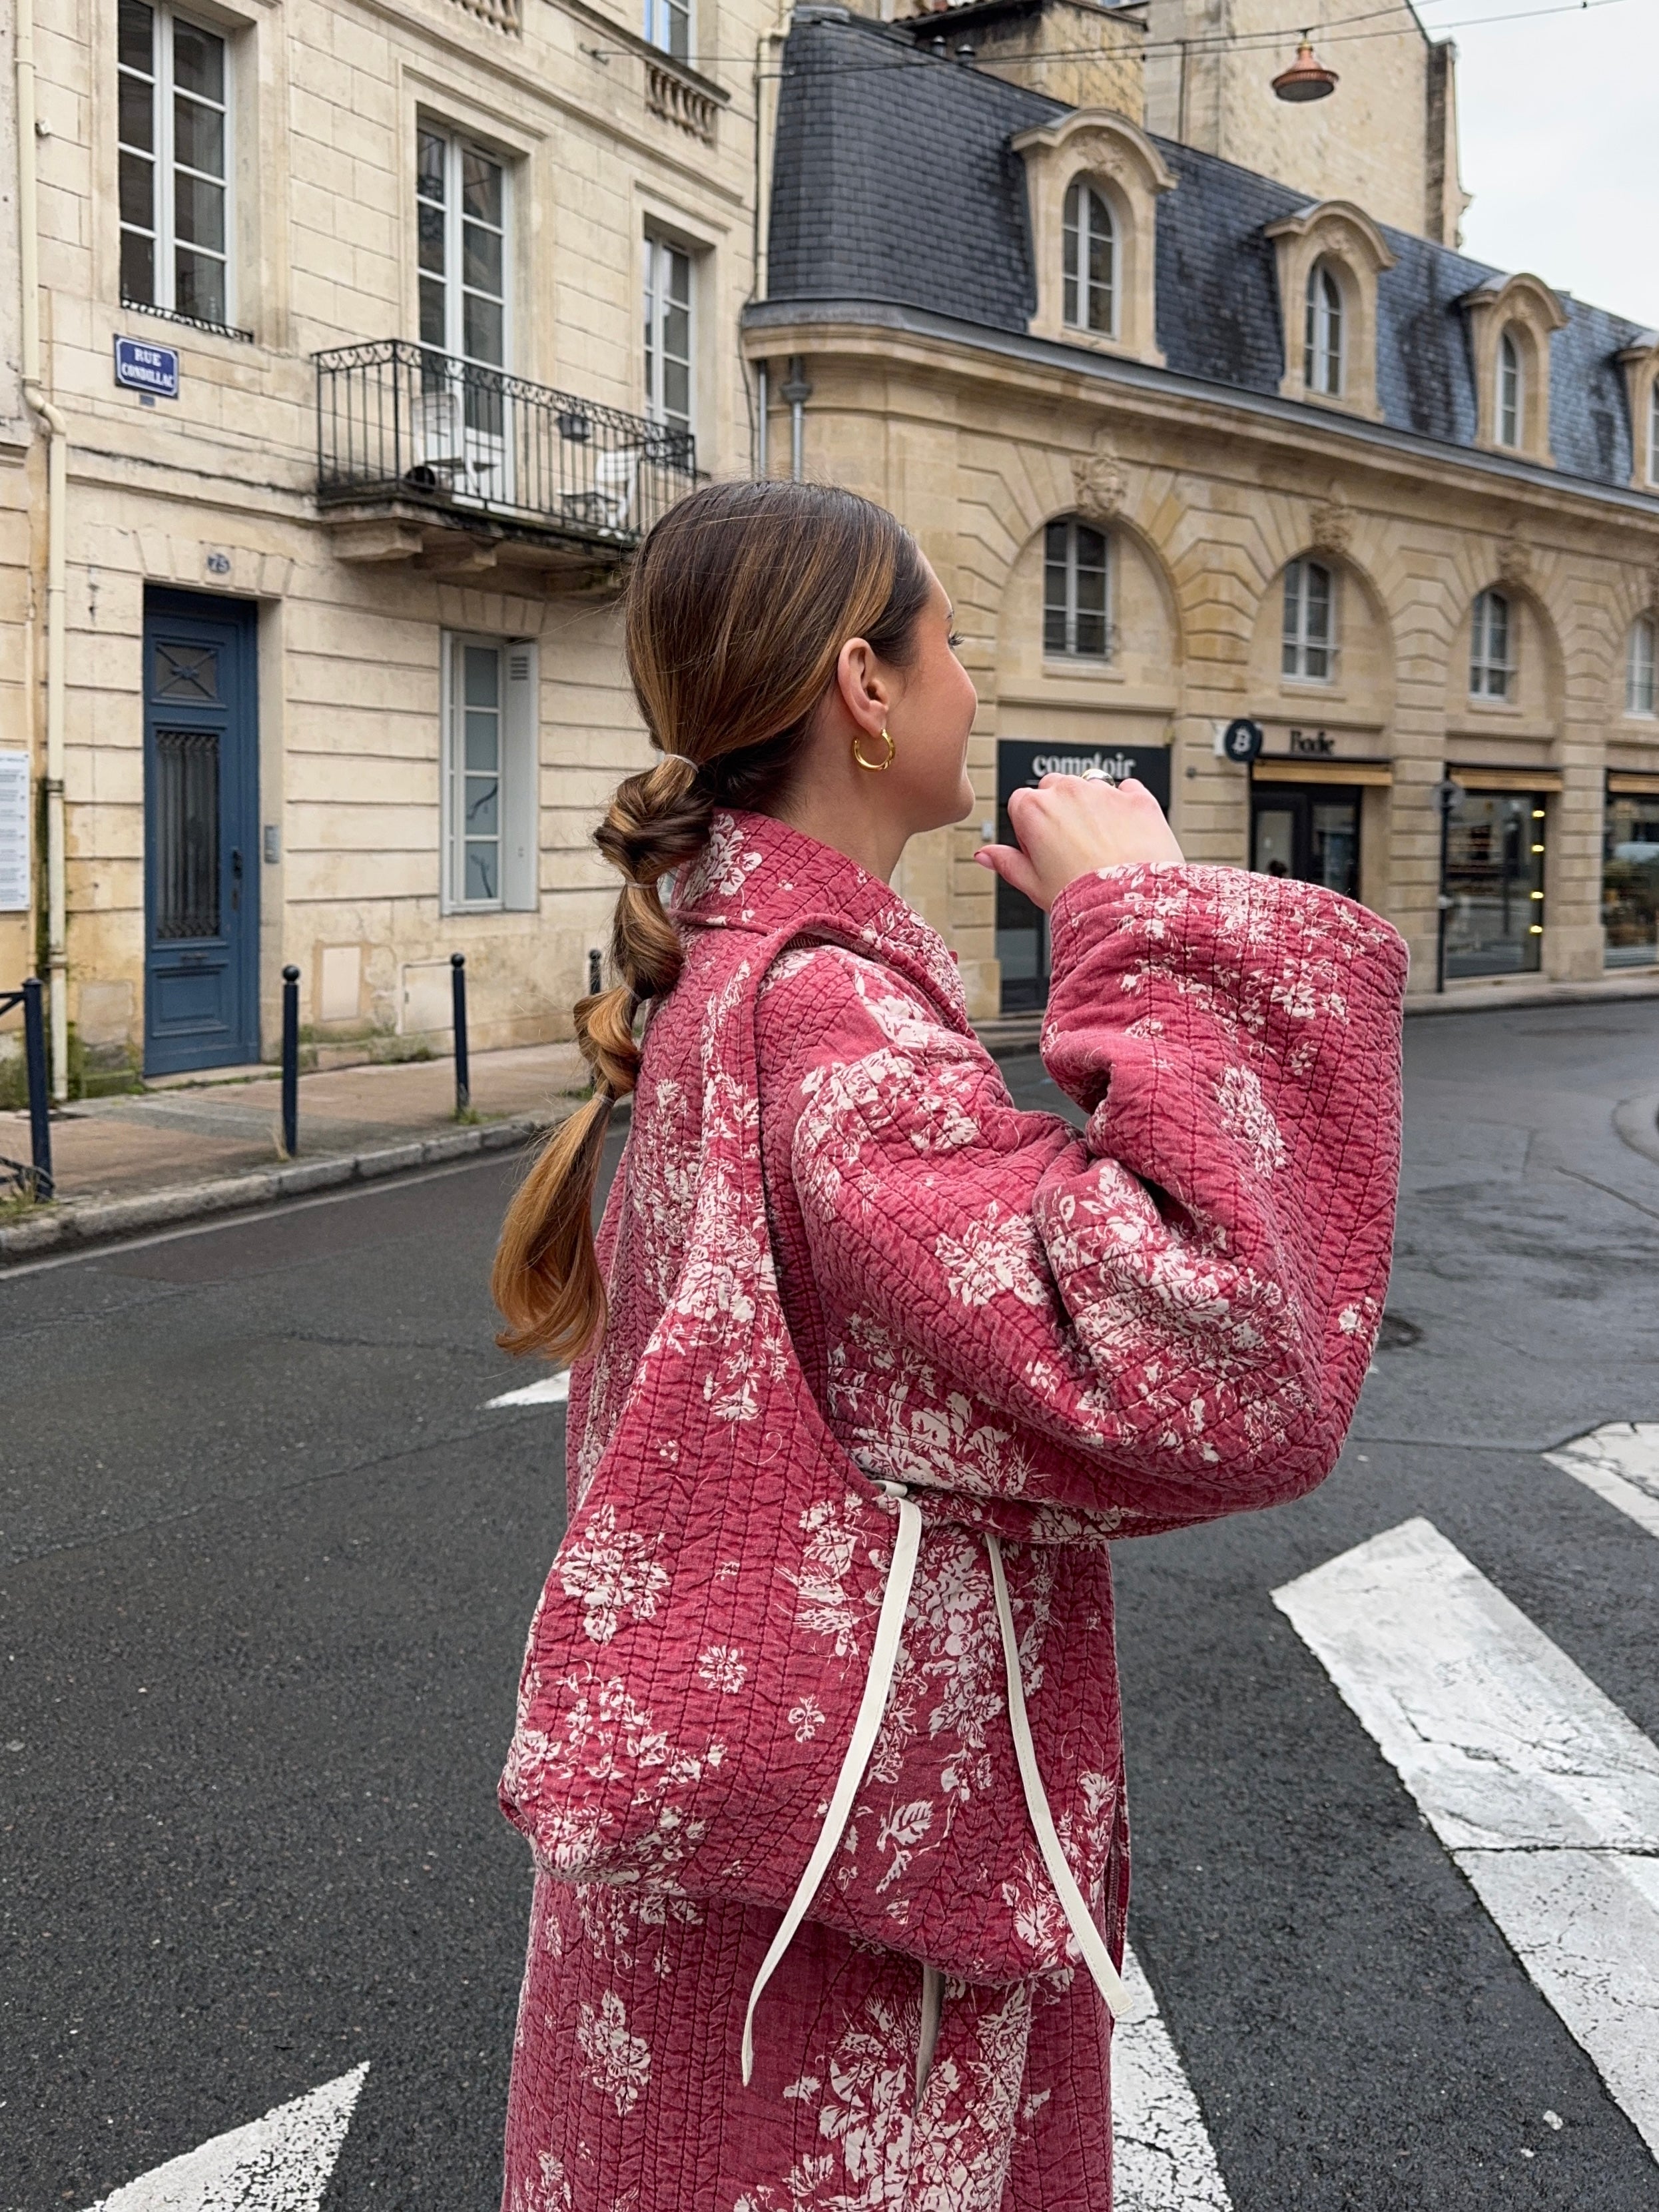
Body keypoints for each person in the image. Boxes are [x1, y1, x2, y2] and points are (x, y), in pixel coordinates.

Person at [492, 479, 1407, 2212]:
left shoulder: (732, 969)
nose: (975, 685)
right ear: (864, 684)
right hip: (831, 1968)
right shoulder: (827, 1013)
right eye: (953, 641)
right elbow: (1218, 1360)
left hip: (730, 1915)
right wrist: (1154, 924)